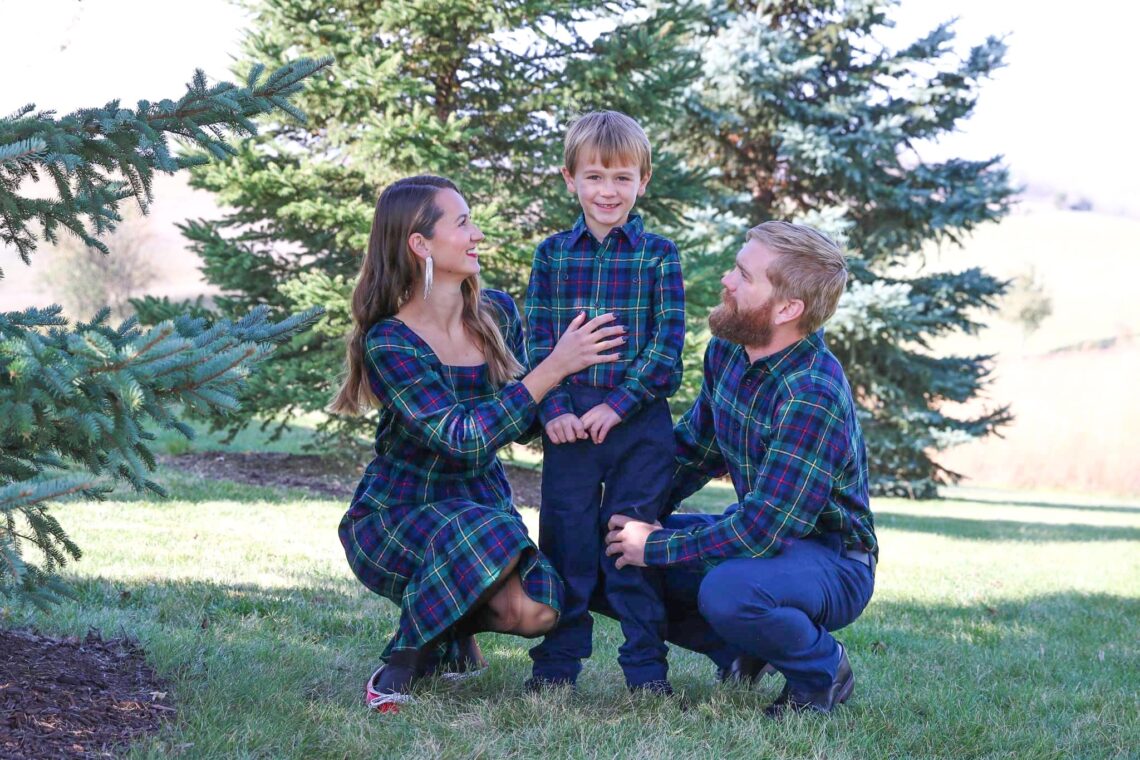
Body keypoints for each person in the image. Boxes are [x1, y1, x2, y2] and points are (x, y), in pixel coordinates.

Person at [330, 175, 627, 712]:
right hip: (399, 512)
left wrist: (600, 413)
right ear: (421, 244)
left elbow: (526, 418)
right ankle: (403, 662)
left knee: (539, 608)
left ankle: (451, 630)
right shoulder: (391, 340)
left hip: (480, 507)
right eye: (462, 223)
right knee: (482, 529)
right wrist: (555, 366)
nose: (477, 234)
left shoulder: (497, 315)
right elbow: (463, 440)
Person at [604, 221, 878, 715]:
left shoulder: (812, 392)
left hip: (833, 559)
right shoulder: (728, 351)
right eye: (735, 266)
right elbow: (693, 449)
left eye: (744, 276)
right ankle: (740, 652)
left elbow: (764, 528)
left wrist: (658, 544)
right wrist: (635, 513)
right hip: (766, 546)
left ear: (787, 309)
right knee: (607, 544)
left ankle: (822, 669)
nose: (727, 281)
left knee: (729, 590)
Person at [524, 111, 686, 694]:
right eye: (594, 176)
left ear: (643, 180)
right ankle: (557, 667)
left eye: (621, 177)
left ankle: (646, 671)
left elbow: (668, 346)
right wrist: (556, 409)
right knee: (565, 540)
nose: (607, 191)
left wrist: (617, 404)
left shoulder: (658, 255)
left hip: (638, 425)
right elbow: (538, 340)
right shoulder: (551, 256)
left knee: (628, 542)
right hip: (569, 425)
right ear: (570, 179)